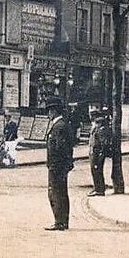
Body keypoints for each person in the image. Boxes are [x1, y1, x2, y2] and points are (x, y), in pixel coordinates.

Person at [44, 97, 75, 231]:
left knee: (56, 193)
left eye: (50, 111)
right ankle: (63, 221)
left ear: (55, 111)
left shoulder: (59, 127)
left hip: (57, 166)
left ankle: (59, 221)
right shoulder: (61, 125)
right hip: (59, 166)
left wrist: (56, 166)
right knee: (61, 192)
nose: (48, 114)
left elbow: (60, 148)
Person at [87, 108, 118, 197]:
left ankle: (99, 189)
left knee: (97, 170)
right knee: (95, 170)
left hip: (97, 153)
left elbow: (103, 142)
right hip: (94, 151)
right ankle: (97, 187)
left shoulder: (101, 127)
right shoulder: (96, 126)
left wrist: (101, 153)